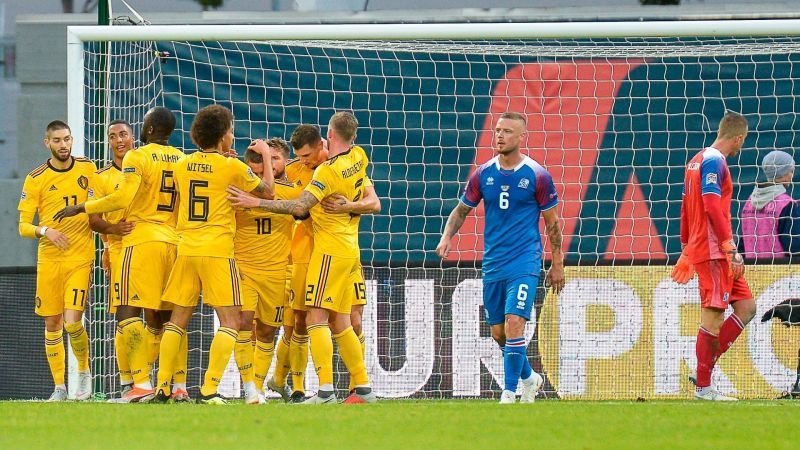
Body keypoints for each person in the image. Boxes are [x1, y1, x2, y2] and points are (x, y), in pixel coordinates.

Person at [227, 113, 377, 404]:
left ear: (328, 138)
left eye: (307, 155)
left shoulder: (327, 172)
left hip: (329, 251)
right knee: (340, 321)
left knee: (315, 318)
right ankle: (363, 388)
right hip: (347, 249)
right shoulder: (359, 156)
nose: (304, 161)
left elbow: (299, 207)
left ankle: (325, 391)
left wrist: (256, 202)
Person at [55, 107, 189, 403]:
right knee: (171, 319)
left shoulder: (138, 157)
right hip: (175, 243)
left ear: (149, 129)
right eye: (112, 136)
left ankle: (141, 384)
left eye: (130, 131)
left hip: (139, 241)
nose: (120, 139)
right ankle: (174, 385)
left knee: (127, 311)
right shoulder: (182, 158)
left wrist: (80, 207)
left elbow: (122, 198)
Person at [436, 111, 564, 404]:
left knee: (514, 322)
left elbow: (553, 223)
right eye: (497, 130)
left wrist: (557, 263)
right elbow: (461, 211)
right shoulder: (483, 173)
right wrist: (446, 237)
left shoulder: (537, 174)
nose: (500, 136)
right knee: (498, 333)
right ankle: (530, 378)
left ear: (521, 137)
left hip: (525, 261)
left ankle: (509, 393)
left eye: (507, 131)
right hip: (494, 262)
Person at [154, 104, 275, 404]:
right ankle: (209, 389)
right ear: (222, 137)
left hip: (186, 248)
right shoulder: (232, 167)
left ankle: (161, 386)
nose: (233, 136)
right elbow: (269, 192)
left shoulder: (182, 165)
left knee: (176, 321)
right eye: (231, 131)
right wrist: (268, 157)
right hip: (217, 251)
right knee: (231, 322)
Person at [671, 111, 757, 401]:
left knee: (746, 307)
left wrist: (685, 244)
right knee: (714, 317)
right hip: (714, 250)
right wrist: (729, 246)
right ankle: (704, 388)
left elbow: (684, 207)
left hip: (707, 247)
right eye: (741, 143)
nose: (739, 148)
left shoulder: (696, 161)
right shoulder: (713, 162)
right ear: (738, 137)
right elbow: (710, 205)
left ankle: (703, 371)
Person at [18, 120, 96, 401]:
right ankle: (60, 388)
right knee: (52, 323)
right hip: (50, 260)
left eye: (67, 139)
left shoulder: (88, 168)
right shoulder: (36, 178)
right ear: (47, 143)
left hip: (80, 256)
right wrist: (45, 230)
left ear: (72, 140)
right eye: (58, 141)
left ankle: (84, 373)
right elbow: (23, 225)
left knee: (73, 321)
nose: (64, 145)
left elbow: (101, 203)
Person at [233, 138, 302, 404]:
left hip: (277, 273)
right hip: (245, 268)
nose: (268, 165)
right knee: (242, 326)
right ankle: (249, 386)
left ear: (286, 162)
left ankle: (258, 389)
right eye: (264, 159)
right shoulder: (241, 186)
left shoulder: (295, 191)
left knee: (266, 332)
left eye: (274, 159)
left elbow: (299, 210)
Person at [87, 119, 136, 394]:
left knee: (157, 315)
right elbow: (93, 220)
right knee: (124, 314)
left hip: (151, 246)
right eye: (113, 136)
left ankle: (166, 383)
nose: (119, 140)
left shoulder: (143, 167)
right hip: (118, 251)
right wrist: (112, 230)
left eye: (123, 134)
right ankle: (128, 381)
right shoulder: (101, 176)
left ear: (133, 138)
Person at [740, 150, 798, 259]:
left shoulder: (749, 202)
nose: (792, 175)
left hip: (751, 268)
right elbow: (793, 246)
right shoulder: (786, 204)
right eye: (791, 171)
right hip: (781, 271)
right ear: (784, 173)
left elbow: (743, 242)